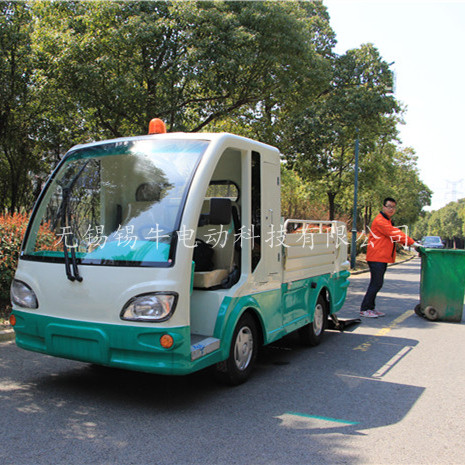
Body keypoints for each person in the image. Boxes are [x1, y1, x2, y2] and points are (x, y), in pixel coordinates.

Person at [360, 197, 418, 318]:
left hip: (380, 257)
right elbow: (394, 233)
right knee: (376, 283)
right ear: (383, 207)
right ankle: (365, 308)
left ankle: (370, 307)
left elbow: (394, 232)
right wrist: (412, 243)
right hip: (377, 257)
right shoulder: (380, 221)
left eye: (393, 207)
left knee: (377, 283)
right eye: (389, 206)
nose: (391, 209)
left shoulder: (386, 220)